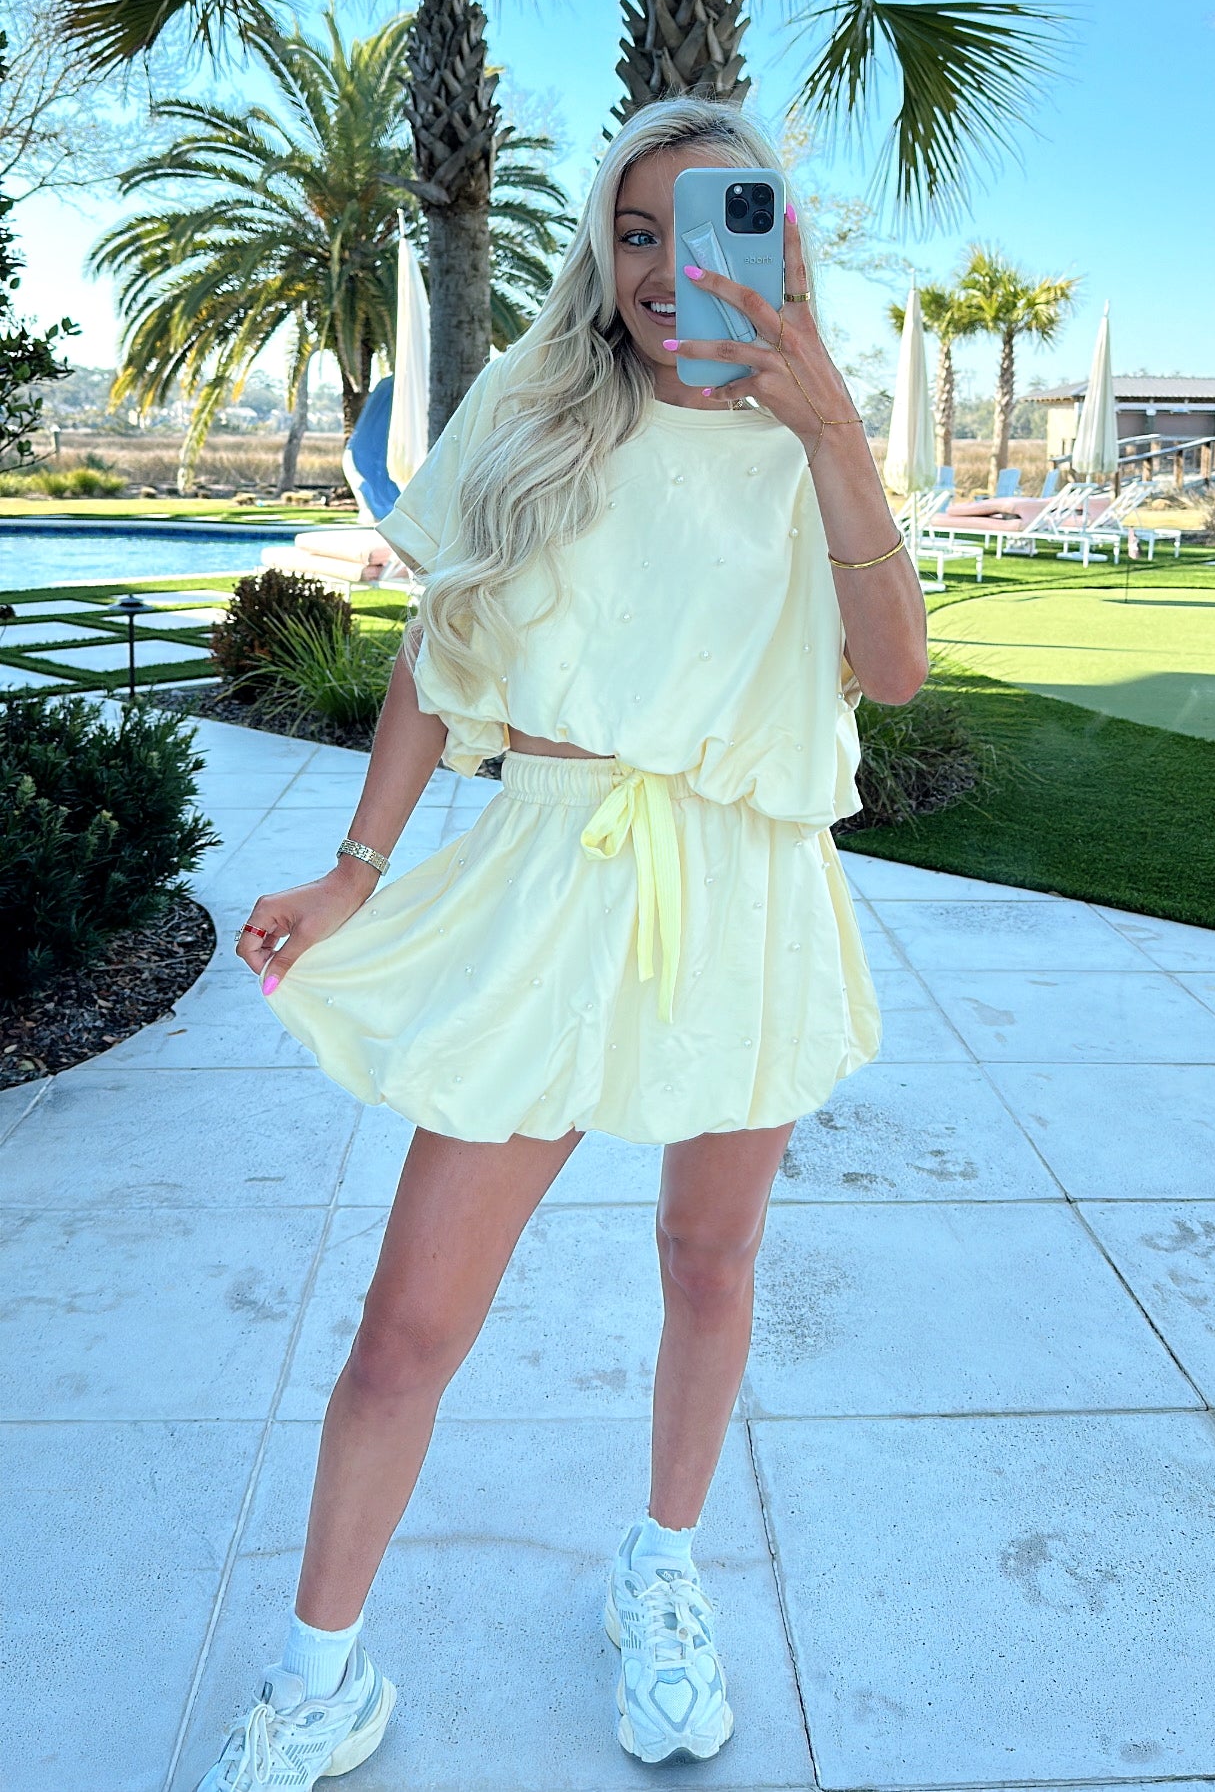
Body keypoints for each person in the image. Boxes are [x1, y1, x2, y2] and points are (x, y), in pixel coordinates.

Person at [200, 97, 928, 1790]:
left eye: (706, 225)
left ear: (773, 244)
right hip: (551, 874)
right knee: (408, 1324)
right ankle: (320, 1678)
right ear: (601, 250)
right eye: (634, 230)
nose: (667, 266)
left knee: (710, 1261)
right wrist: (356, 869)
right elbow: (430, 648)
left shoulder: (809, 432)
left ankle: (659, 1569)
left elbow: (890, 672)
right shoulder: (532, 407)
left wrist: (831, 431)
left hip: (745, 880)